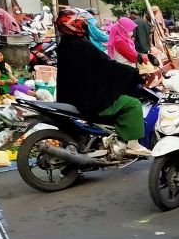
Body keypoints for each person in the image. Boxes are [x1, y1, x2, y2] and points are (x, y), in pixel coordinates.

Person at [54, 9, 152, 156]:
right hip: (89, 101)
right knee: (133, 104)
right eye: (83, 23)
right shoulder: (82, 46)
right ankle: (133, 144)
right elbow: (107, 67)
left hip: (73, 98)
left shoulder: (65, 46)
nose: (86, 26)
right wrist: (134, 74)